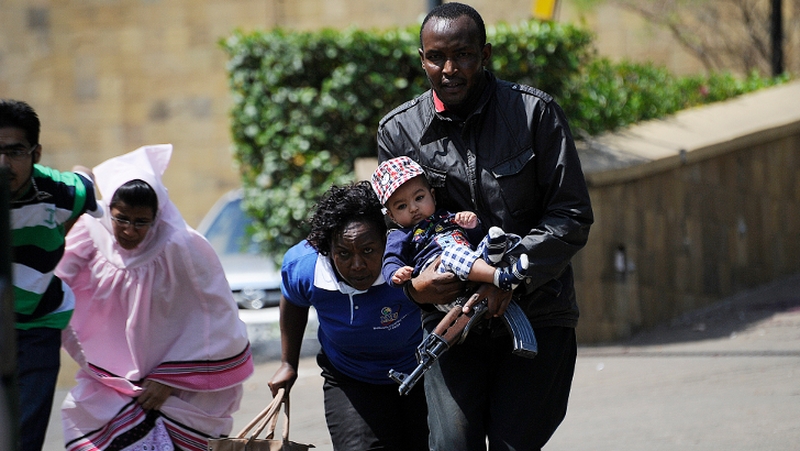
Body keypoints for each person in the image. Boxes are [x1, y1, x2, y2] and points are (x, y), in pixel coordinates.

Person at [376, 3, 594, 450]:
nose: (450, 69)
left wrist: (507, 277)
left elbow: (570, 214)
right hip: (449, 324)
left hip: (539, 311)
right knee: (453, 443)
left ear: (486, 54)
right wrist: (414, 287)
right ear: (422, 59)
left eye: (464, 56)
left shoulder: (536, 115)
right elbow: (396, 229)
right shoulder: (398, 131)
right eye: (436, 57)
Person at [55, 144, 255, 451]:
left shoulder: (184, 246)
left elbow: (217, 318)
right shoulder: (90, 231)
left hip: (177, 389)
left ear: (156, 216)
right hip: (110, 380)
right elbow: (56, 279)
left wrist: (170, 379)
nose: (130, 231)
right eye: (121, 219)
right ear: (108, 208)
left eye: (141, 222)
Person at [268, 181, 428, 451]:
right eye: (343, 253)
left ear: (386, 240)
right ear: (326, 249)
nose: (357, 265)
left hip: (421, 370)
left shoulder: (413, 257)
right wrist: (288, 363)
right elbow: (293, 302)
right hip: (350, 376)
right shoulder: (304, 267)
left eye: (368, 251)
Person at [1, 99, 102, 451]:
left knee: (23, 440)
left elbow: (86, 183)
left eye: (14, 152)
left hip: (36, 330)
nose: (3, 164)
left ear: (36, 153)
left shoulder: (59, 192)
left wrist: (61, 228)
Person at [371, 156, 528, 300]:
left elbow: (473, 241)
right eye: (402, 206)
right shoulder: (400, 234)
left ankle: (491, 258)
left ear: (432, 195)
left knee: (498, 236)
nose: (413, 208)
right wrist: (395, 273)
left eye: (419, 198)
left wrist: (472, 227)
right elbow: (390, 259)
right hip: (441, 277)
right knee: (452, 254)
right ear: (391, 216)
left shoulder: (446, 215)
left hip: (469, 259)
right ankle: (500, 277)